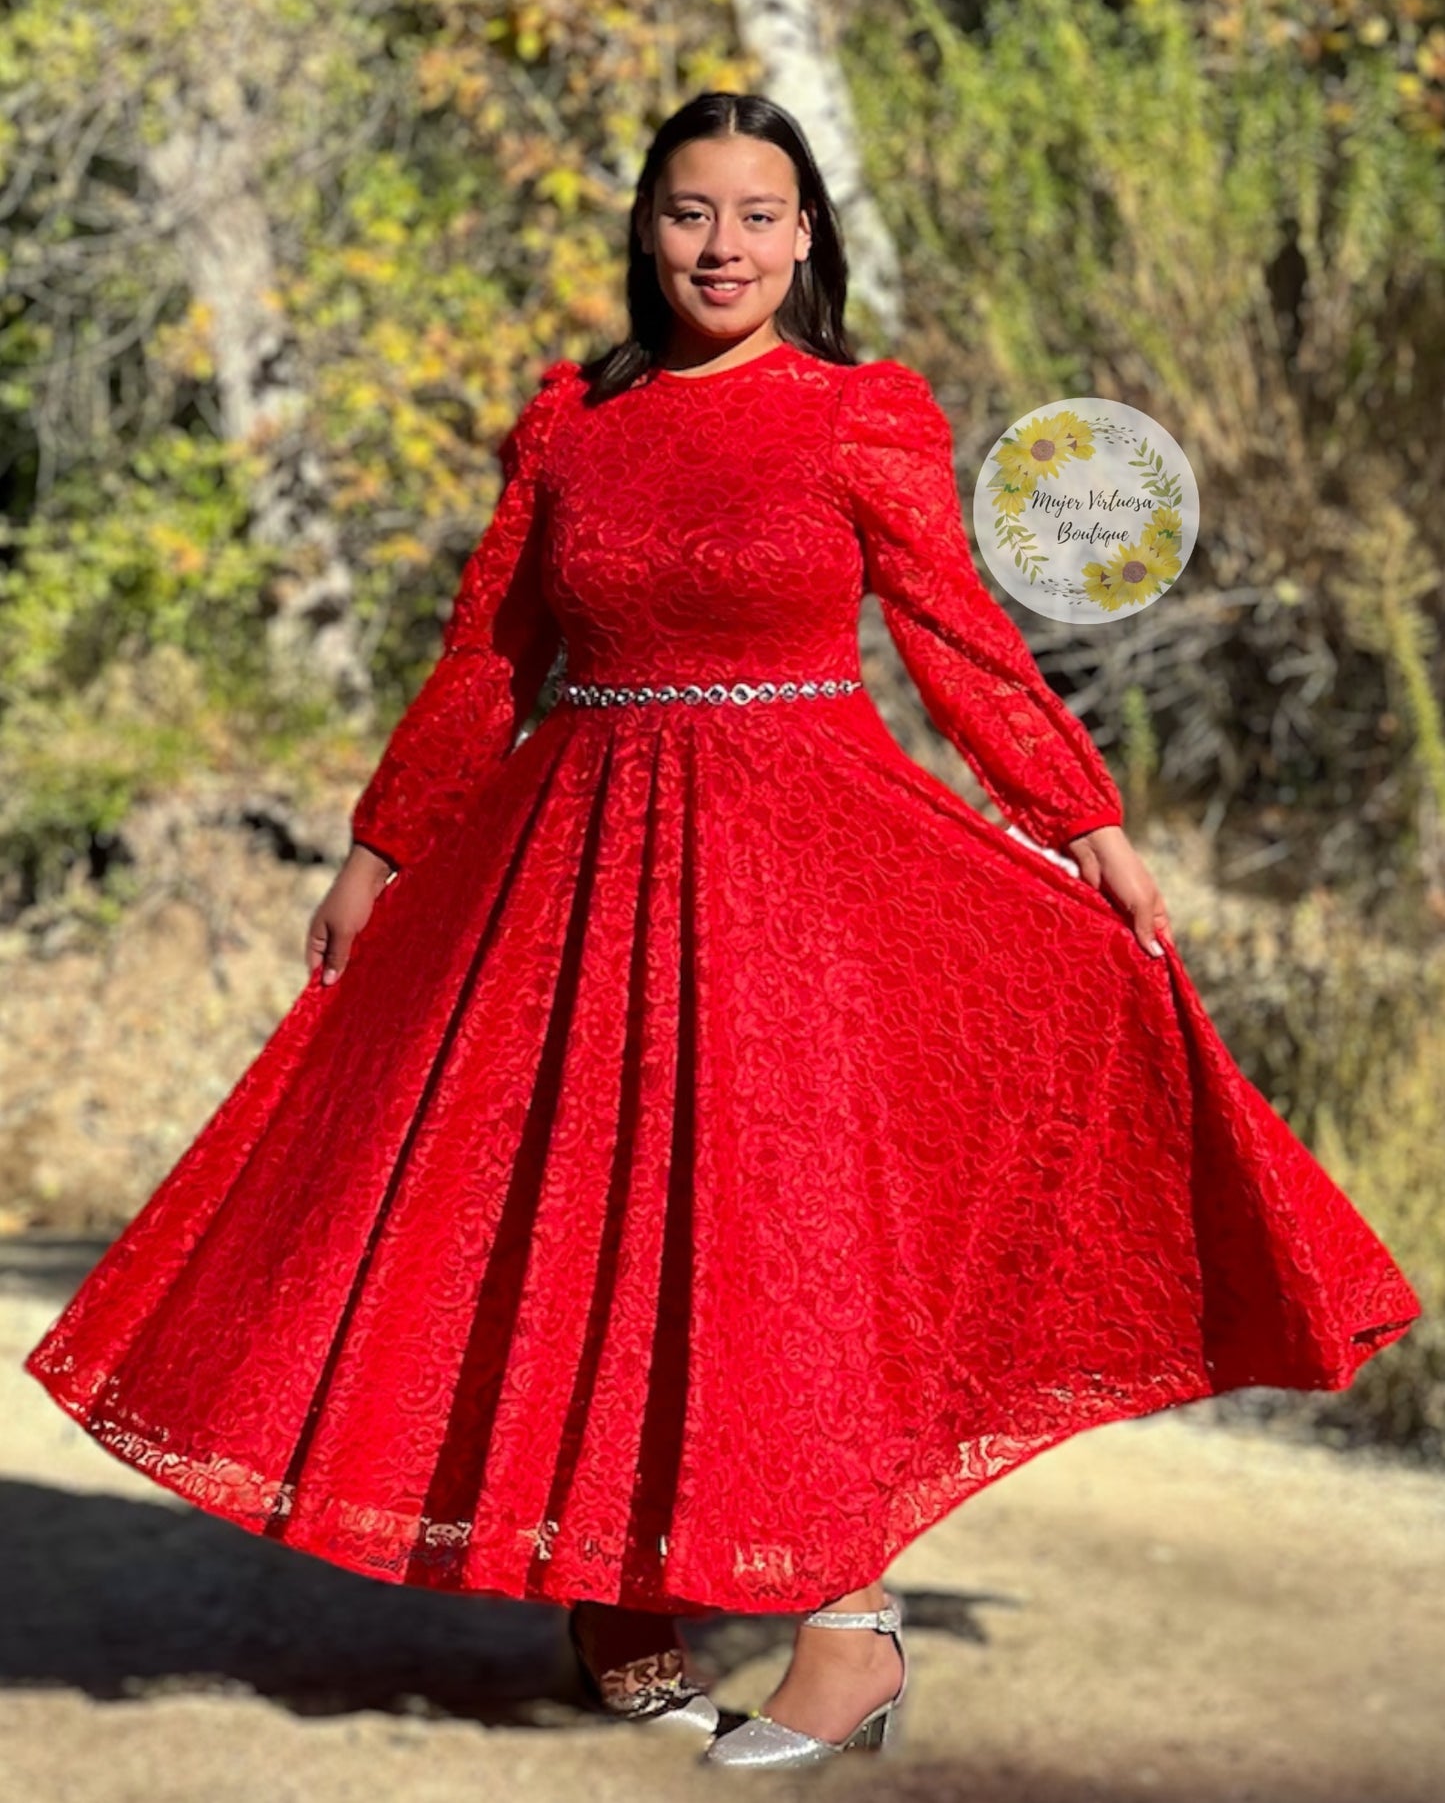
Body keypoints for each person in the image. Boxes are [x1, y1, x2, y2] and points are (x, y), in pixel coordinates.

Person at [23, 91, 1421, 1772]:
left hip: (798, 871)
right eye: (693, 214)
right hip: (576, 866)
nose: (724, 248)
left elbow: (958, 641)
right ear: (644, 227)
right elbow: (491, 656)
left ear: (807, 236)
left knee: (777, 1230)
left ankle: (849, 1624)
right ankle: (619, 1604)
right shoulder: (570, 429)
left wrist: (1083, 826)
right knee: (576, 1204)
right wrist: (379, 851)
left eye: (760, 216)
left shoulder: (858, 416)